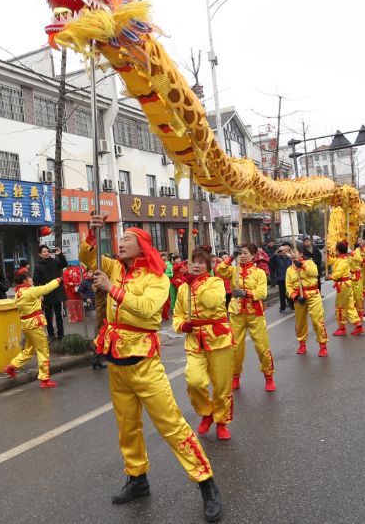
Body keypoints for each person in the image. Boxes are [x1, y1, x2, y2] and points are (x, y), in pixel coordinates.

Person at [80, 216, 222, 522]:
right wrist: (91, 233)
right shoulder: (116, 267)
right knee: (127, 427)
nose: (120, 243)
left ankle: (206, 482)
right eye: (119, 240)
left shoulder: (157, 277)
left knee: (172, 425)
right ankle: (137, 478)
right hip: (116, 363)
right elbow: (86, 258)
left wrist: (112, 290)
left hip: (144, 364)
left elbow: (146, 309)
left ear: (142, 245)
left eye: (126, 239)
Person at [174, 247, 234, 441]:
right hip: (194, 340)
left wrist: (196, 286)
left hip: (218, 338)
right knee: (194, 381)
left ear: (208, 265)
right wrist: (182, 325)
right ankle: (206, 412)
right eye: (193, 262)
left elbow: (213, 301)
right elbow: (178, 314)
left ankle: (222, 421)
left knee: (221, 384)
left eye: (201, 262)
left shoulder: (215, 282)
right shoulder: (183, 287)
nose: (197, 266)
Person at [225, 244, 276, 392]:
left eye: (245, 253)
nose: (242, 256)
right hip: (237, 313)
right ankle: (235, 376)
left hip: (255, 313)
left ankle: (268, 376)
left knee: (262, 346)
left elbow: (262, 292)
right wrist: (230, 257)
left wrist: (246, 294)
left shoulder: (259, 272)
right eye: (240, 253)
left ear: (253, 255)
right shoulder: (233, 271)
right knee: (235, 347)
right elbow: (219, 270)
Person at [4, 270, 62, 388]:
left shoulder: (18, 293)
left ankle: (12, 366)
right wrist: (58, 280)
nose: (32, 280)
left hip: (26, 325)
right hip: (35, 324)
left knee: (29, 350)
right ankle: (45, 379)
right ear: (25, 280)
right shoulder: (30, 291)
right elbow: (47, 288)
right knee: (43, 350)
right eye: (30, 278)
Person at [286, 248, 327, 357]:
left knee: (317, 320)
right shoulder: (289, 270)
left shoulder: (309, 262)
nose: (292, 254)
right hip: (299, 298)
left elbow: (315, 273)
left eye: (294, 252)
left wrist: (303, 266)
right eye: (290, 252)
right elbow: (288, 286)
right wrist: (295, 297)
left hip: (313, 294)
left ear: (301, 253)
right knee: (300, 323)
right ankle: (302, 344)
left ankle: (323, 345)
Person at [329, 242, 365, 337]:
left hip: (343, 285)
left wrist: (329, 277)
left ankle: (342, 328)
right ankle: (358, 325)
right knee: (349, 305)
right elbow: (333, 261)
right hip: (347, 283)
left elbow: (337, 274)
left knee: (340, 307)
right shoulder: (343, 258)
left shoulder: (342, 260)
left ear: (338, 250)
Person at [34, 244, 68, 341]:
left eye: (47, 251)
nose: (46, 253)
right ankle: (51, 335)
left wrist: (60, 254)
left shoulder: (55, 261)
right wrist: (39, 294)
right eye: (44, 252)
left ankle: (61, 335)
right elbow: (36, 281)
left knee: (59, 315)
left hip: (57, 292)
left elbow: (65, 264)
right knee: (48, 316)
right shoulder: (38, 266)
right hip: (46, 293)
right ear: (40, 254)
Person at [269, 244, 292, 313]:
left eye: (283, 250)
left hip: (289, 278)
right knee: (282, 294)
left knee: (290, 292)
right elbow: (270, 261)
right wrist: (276, 253)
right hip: (281, 278)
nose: (282, 252)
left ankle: (292, 306)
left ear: (286, 251)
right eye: (281, 250)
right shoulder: (276, 258)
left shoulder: (288, 258)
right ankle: (282, 307)